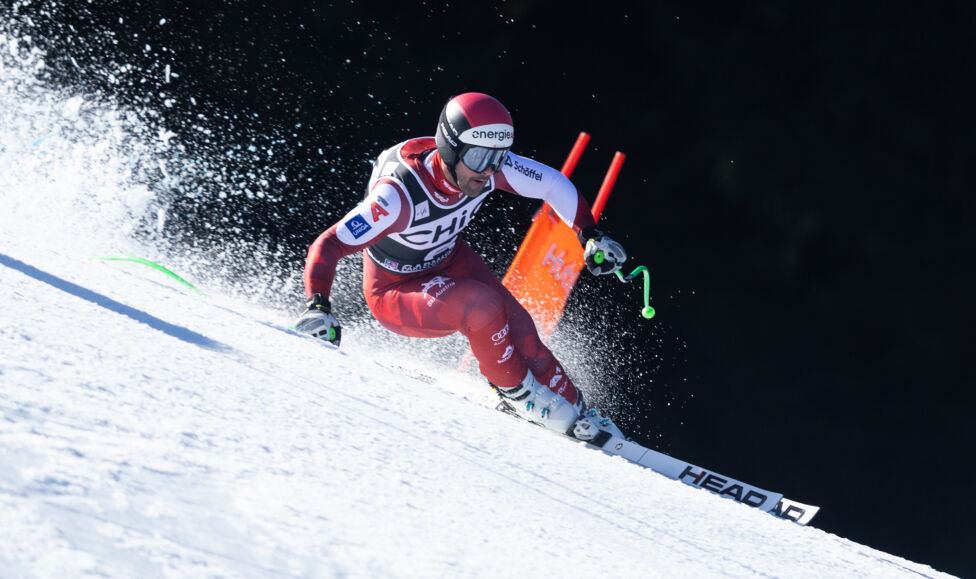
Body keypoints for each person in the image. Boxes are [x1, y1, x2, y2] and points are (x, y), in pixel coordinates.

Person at [295, 92, 629, 440]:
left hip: (450, 260)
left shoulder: (486, 167)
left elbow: (553, 184)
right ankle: (518, 395)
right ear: (450, 149)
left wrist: (590, 235)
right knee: (482, 306)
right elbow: (330, 243)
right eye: (480, 157)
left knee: (524, 333)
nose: (488, 169)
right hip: (395, 289)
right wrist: (318, 306)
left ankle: (579, 413)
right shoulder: (397, 196)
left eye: (498, 158)